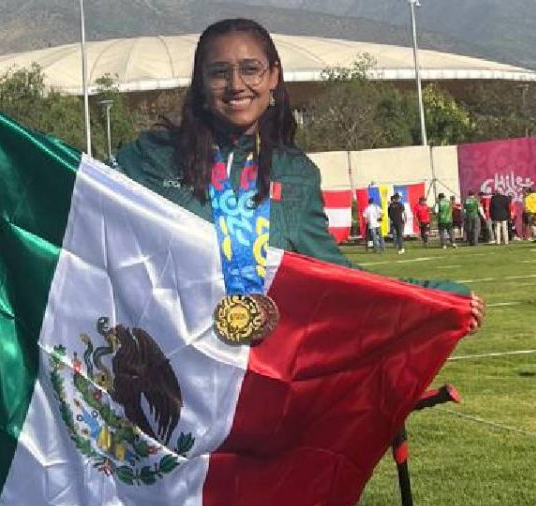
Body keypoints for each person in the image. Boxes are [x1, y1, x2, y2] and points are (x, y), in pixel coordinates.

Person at [113, 18, 479, 308]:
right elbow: (82, 207)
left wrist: (433, 294)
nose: (236, 84)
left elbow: (334, 273)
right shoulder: (153, 157)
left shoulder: (295, 173)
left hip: (256, 362)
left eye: (250, 69)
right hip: (172, 353)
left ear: (273, 76)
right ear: (202, 83)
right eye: (220, 72)